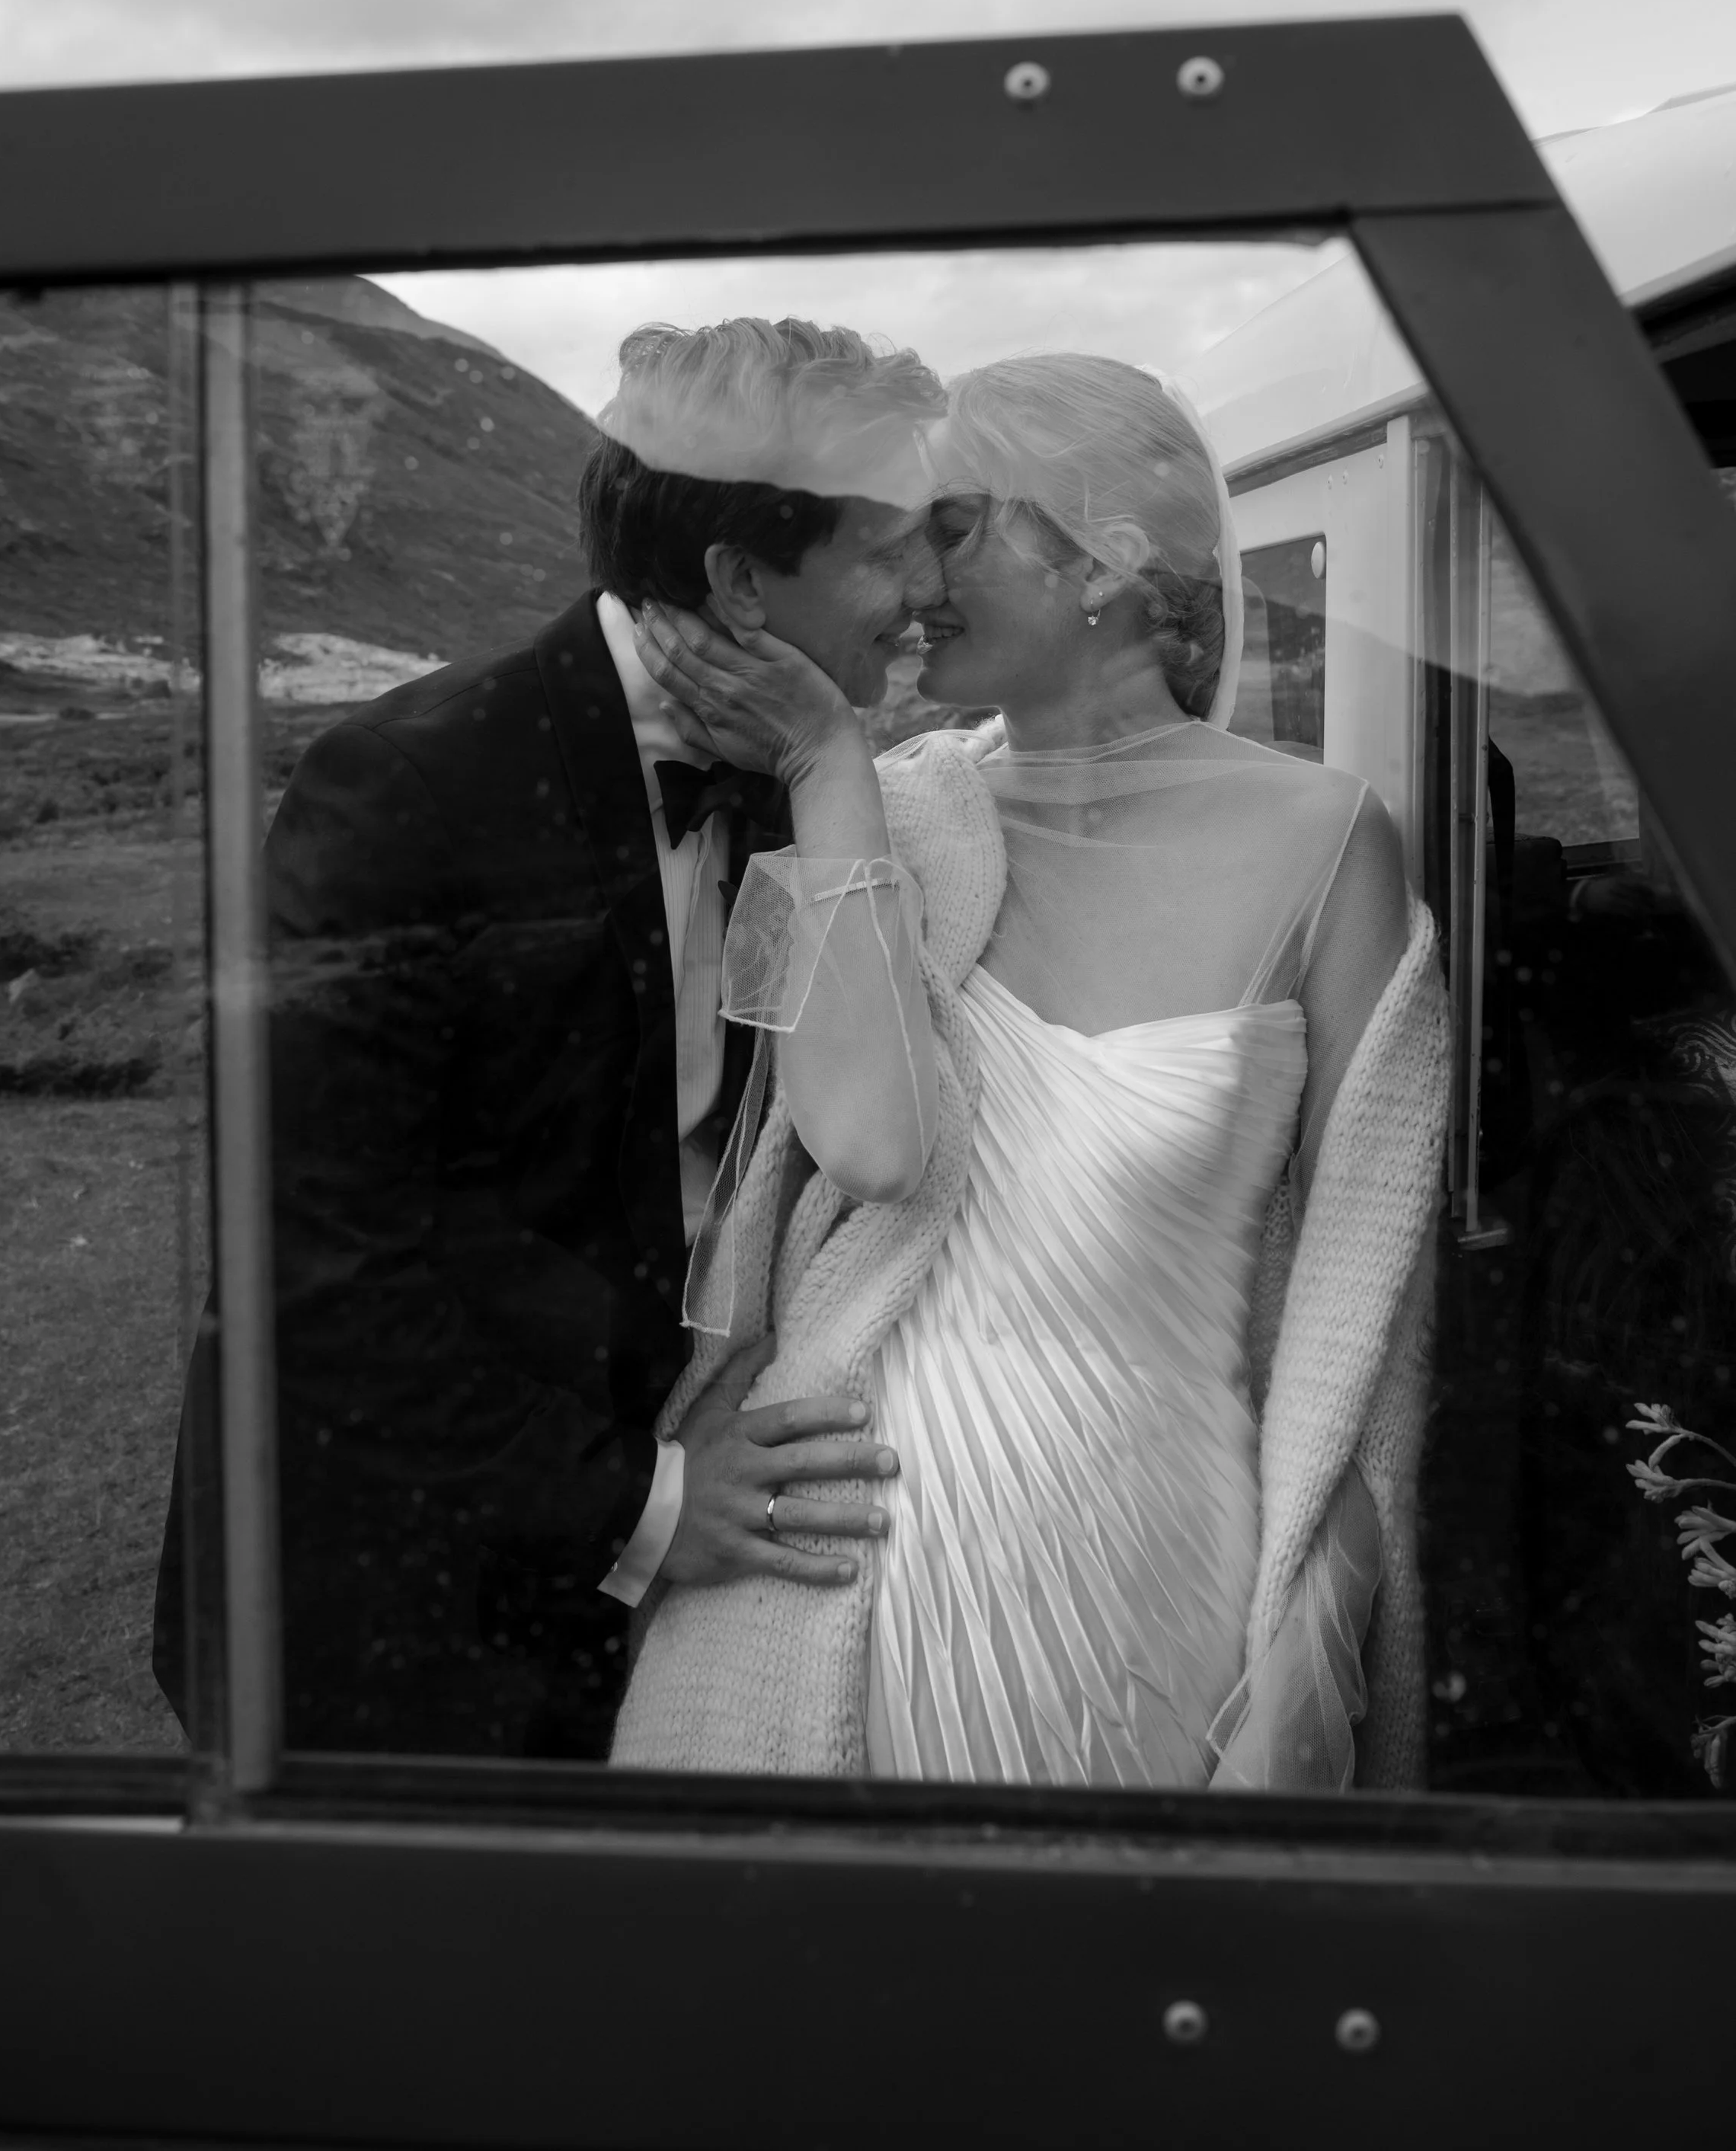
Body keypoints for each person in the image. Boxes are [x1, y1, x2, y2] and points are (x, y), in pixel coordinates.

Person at [610, 353, 1451, 1788]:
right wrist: (830, 768)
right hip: (820, 1567)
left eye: (949, 527)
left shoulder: (1331, 839)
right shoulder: (867, 807)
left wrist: (1311, 1655)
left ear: (1106, 560)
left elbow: (1367, 1320)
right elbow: (754, 1158)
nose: (906, 580)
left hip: (1146, 1591)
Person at [152, 315, 945, 1759]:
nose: (928, 589)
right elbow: (312, 1268)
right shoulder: (403, 785)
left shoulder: (805, 780)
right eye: (890, 548)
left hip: (633, 1625)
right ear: (739, 577)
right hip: (382, 1613)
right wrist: (640, 1506)